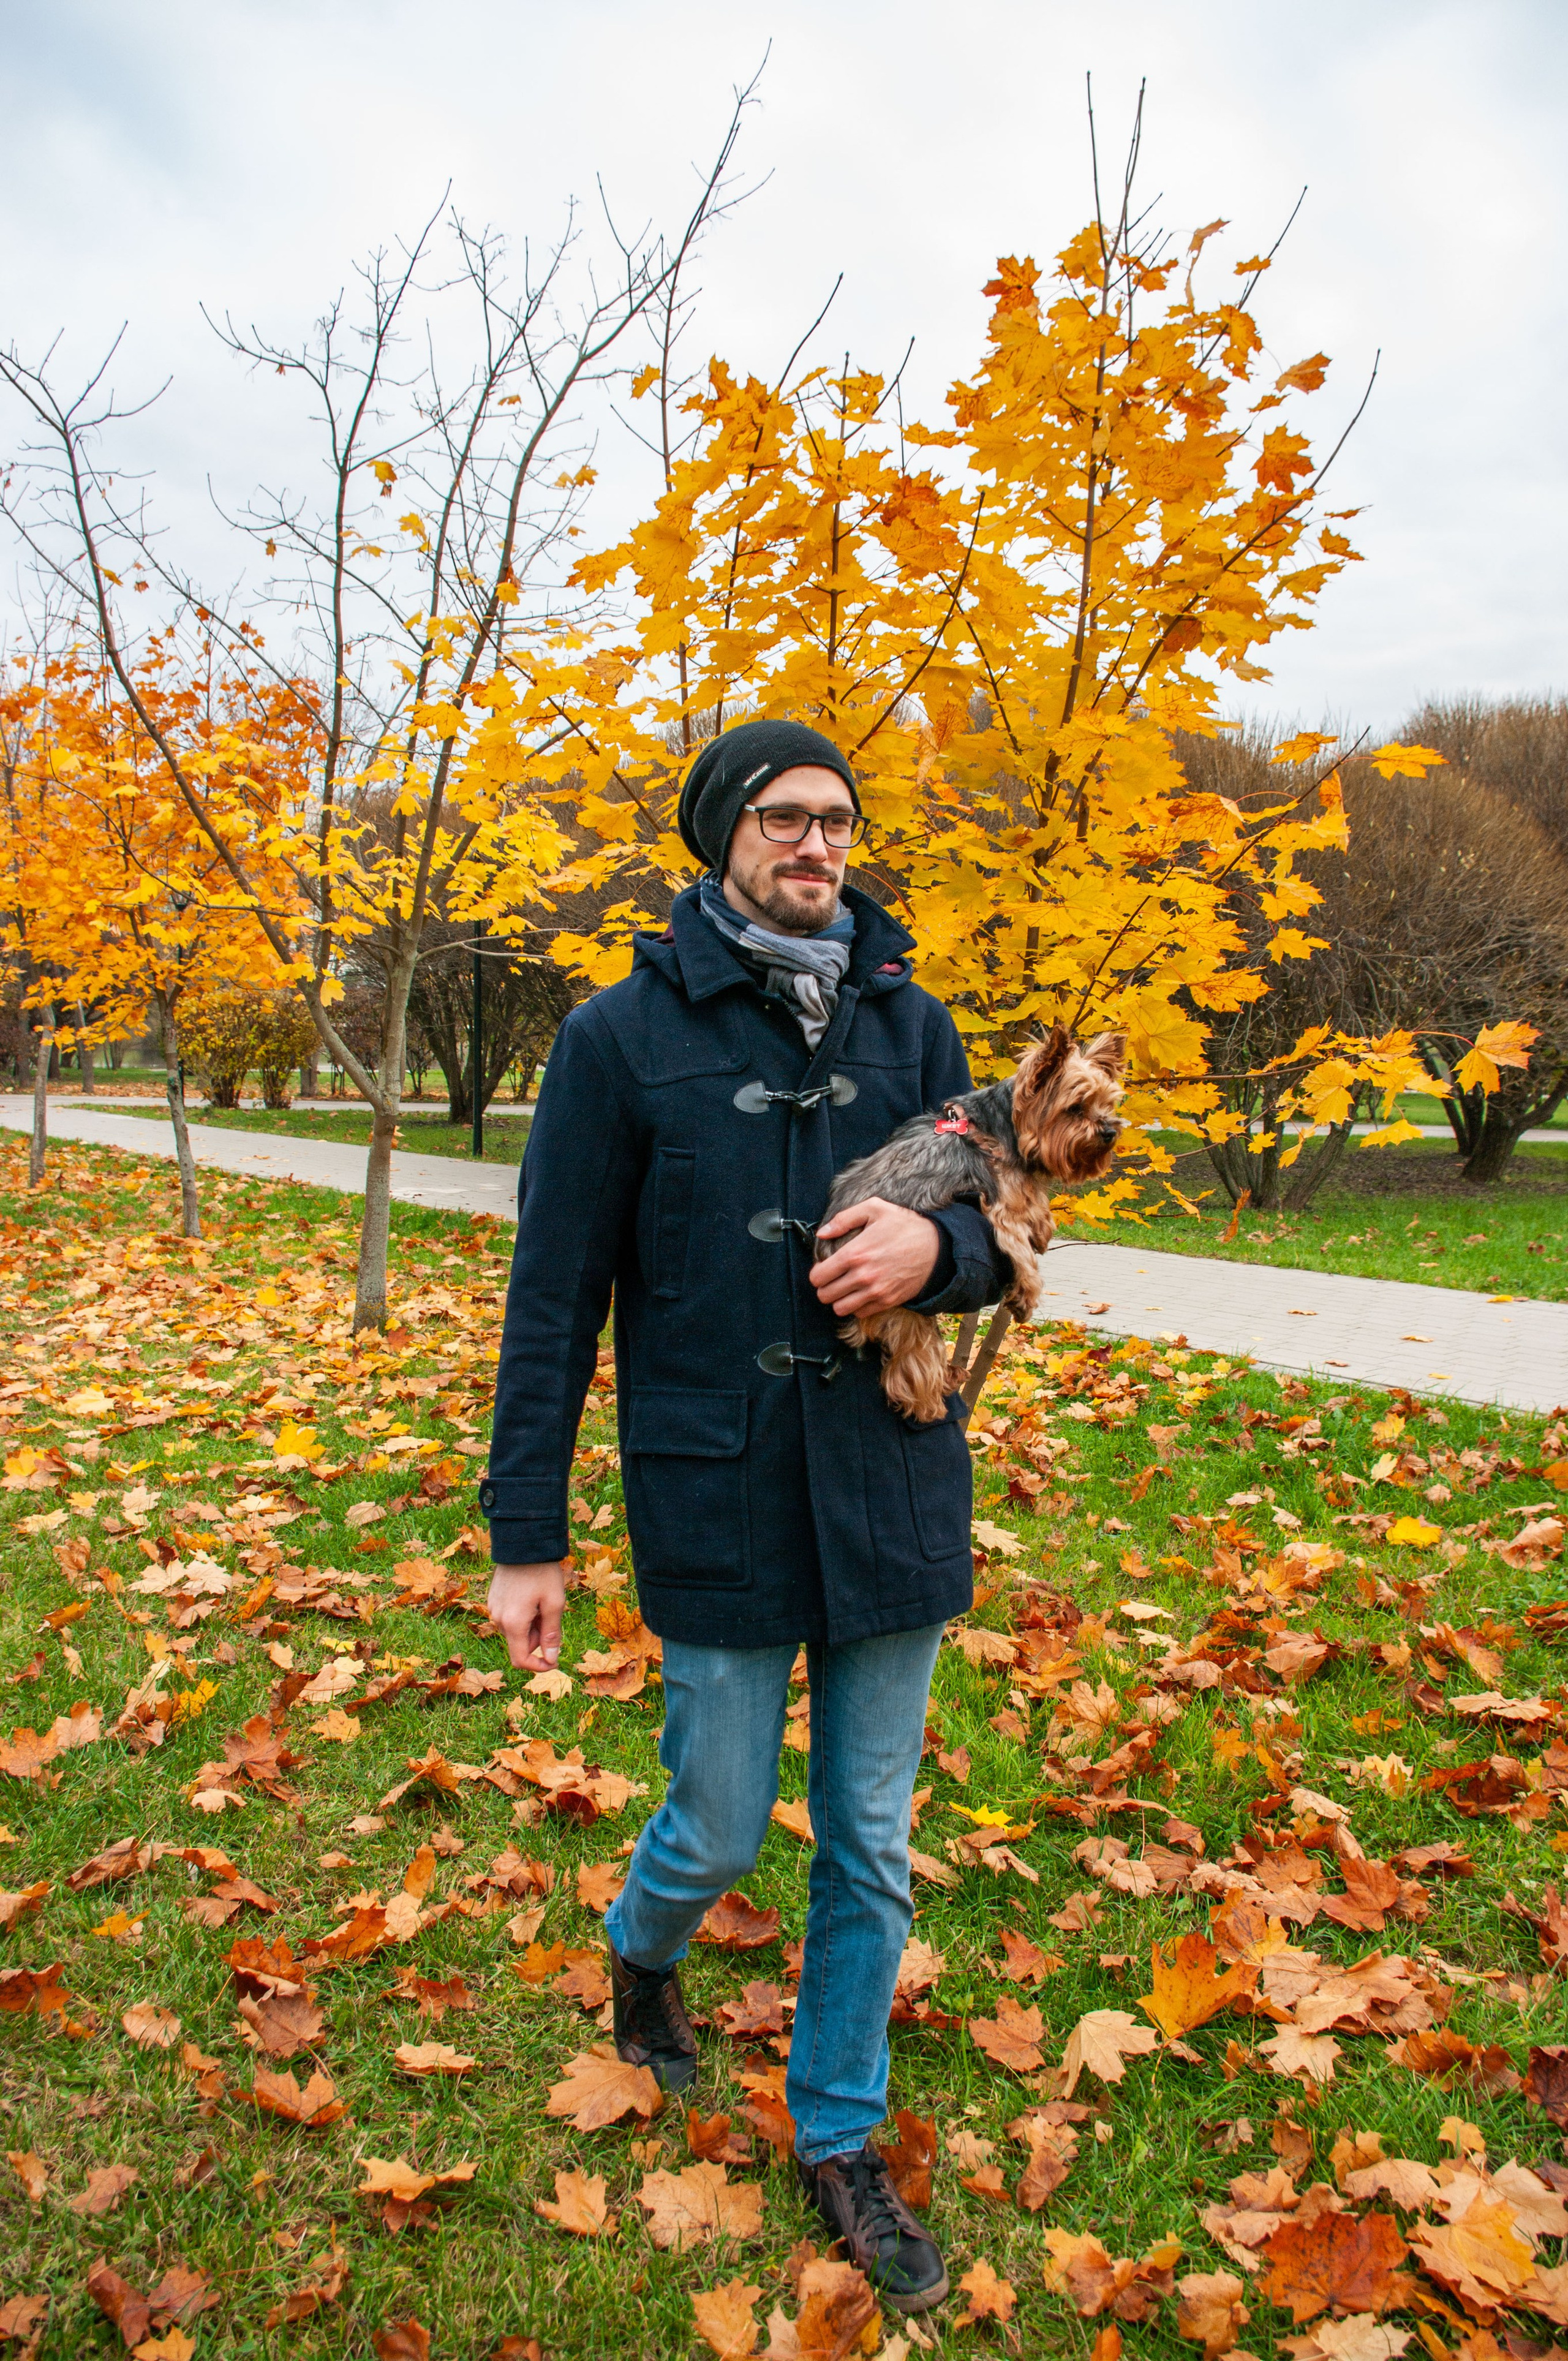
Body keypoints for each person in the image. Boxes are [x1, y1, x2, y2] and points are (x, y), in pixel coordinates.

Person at [482, 717, 1009, 2313]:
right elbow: (554, 1297)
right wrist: (527, 1533)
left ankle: (838, 2136)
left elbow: (997, 1226)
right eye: (784, 817)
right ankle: (645, 1944)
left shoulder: (912, 1029)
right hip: (717, 1483)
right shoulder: (620, 1040)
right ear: (725, 834)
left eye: (838, 820)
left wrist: (940, 1260)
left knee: (869, 1840)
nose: (817, 844)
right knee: (714, 1814)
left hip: (893, 1483)